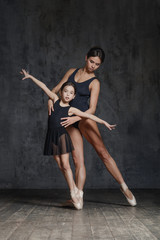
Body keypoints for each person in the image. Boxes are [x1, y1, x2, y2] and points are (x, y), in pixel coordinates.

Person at [48, 47, 137, 207]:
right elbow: (56, 89)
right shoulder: (72, 72)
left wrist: (77, 116)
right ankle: (78, 195)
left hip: (83, 118)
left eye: (97, 64)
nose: (93, 66)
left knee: (103, 153)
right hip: (68, 120)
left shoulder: (94, 82)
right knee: (75, 159)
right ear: (86, 57)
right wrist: (50, 100)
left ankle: (124, 187)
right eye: (91, 61)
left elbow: (92, 108)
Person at [20, 69, 116, 210]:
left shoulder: (71, 110)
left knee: (65, 164)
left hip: (62, 136)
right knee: (59, 164)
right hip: (51, 136)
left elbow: (89, 115)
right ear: (61, 92)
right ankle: (73, 190)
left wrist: (104, 122)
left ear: (73, 96)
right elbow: (44, 86)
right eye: (66, 91)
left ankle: (73, 192)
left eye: (71, 93)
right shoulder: (55, 99)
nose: (68, 94)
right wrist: (30, 77)